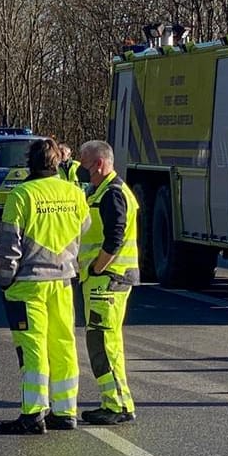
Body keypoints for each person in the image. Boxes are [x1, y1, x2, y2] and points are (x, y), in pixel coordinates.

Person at [0, 139, 90, 434]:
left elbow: (9, 243)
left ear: (29, 163)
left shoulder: (21, 195)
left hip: (28, 284)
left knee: (33, 347)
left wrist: (4, 279)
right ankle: (65, 411)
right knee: (63, 344)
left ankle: (34, 412)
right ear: (57, 162)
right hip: (62, 281)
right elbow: (84, 228)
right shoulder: (74, 193)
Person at [77, 141, 139, 425]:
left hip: (107, 280)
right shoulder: (106, 191)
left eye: (85, 165)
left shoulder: (112, 194)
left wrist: (95, 267)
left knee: (103, 342)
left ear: (99, 164)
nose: (82, 171)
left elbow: (114, 238)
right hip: (108, 279)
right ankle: (116, 402)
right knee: (103, 341)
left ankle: (116, 405)